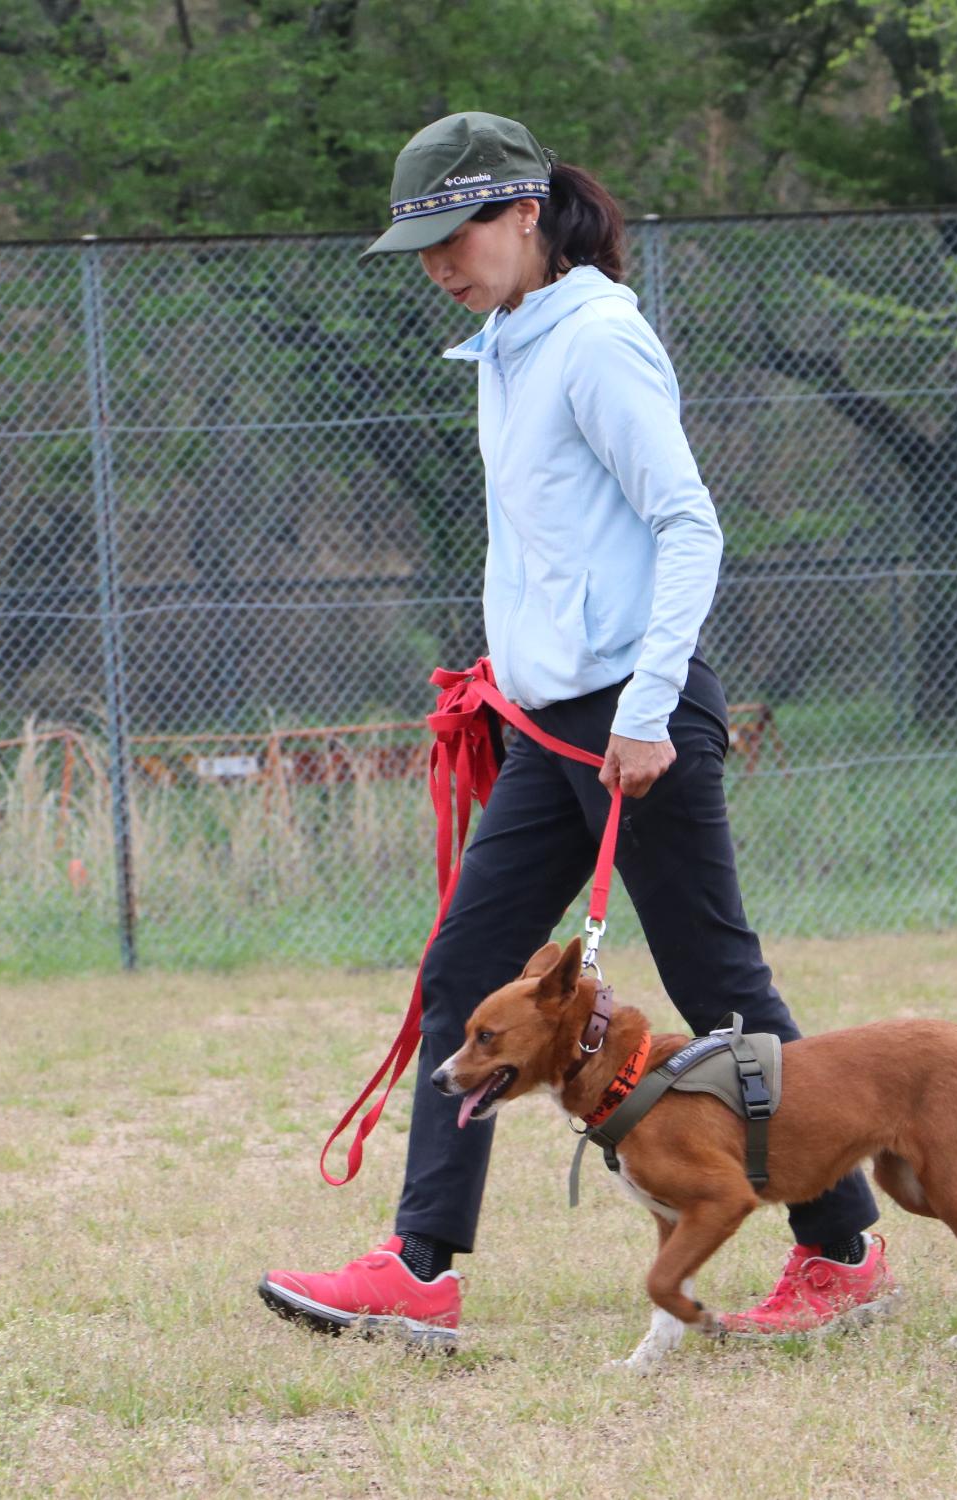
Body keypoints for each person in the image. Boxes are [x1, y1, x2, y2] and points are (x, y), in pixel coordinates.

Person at [260, 111, 892, 1345]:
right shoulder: (504, 344)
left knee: (719, 987)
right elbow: (557, 547)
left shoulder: (597, 338)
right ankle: (419, 1269)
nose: (443, 264)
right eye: (425, 247)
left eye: (460, 234)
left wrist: (646, 711)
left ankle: (842, 1250)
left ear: (523, 215)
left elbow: (688, 527)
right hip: (543, 730)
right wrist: (512, 677)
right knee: (462, 971)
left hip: (633, 724)